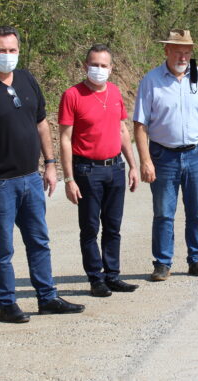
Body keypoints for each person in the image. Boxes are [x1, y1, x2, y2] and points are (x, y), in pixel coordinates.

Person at [0, 25, 84, 323]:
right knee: (3, 248)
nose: (7, 56)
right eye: (1, 50)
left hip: (31, 178)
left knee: (39, 241)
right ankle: (6, 303)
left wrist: (50, 164)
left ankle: (47, 296)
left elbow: (41, 123)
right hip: (0, 185)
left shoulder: (27, 79)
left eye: (12, 50)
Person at [133, 29, 198, 281]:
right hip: (163, 156)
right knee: (164, 212)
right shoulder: (151, 80)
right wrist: (145, 160)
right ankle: (162, 263)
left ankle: (197, 259)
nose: (183, 56)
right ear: (166, 50)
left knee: (197, 210)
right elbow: (140, 125)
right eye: (178, 51)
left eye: (187, 52)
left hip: (196, 153)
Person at [58, 44, 140, 297]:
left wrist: (133, 166)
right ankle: (96, 278)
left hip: (115, 167)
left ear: (111, 69)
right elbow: (64, 138)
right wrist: (69, 178)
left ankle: (113, 275)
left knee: (113, 226)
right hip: (87, 170)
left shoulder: (114, 92)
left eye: (104, 66)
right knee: (90, 227)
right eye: (94, 65)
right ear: (85, 66)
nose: (98, 70)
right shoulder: (72, 95)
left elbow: (122, 129)